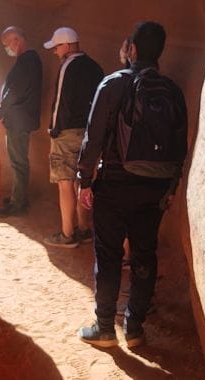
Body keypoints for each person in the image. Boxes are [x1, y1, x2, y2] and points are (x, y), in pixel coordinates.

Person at [75, 21, 187, 348]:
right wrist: (170, 188)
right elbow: (181, 145)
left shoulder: (112, 84)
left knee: (108, 255)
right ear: (160, 53)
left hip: (114, 184)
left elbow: (92, 137)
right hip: (154, 188)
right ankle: (135, 328)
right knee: (144, 254)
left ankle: (105, 328)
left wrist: (84, 179)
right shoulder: (173, 92)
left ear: (132, 49)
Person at [42, 27, 104, 248]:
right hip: (88, 134)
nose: (55, 51)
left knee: (65, 183)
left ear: (67, 45)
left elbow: (60, 102)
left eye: (57, 46)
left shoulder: (68, 66)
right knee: (83, 181)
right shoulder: (94, 66)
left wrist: (54, 128)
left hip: (67, 132)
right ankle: (85, 229)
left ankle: (68, 234)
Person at [0, 26, 42, 217]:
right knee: (19, 161)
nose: (7, 48)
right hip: (21, 119)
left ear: (17, 40)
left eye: (7, 44)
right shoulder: (29, 60)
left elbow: (14, 91)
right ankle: (18, 196)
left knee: (18, 162)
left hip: (18, 121)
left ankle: (18, 203)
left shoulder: (27, 61)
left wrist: (1, 110)